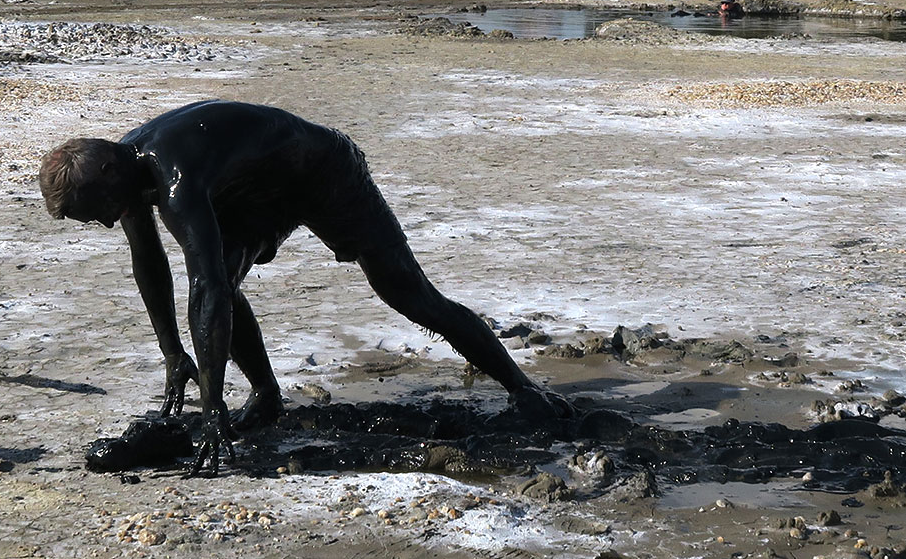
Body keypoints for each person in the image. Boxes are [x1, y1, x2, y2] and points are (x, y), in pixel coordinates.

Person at [39, 100, 572, 475]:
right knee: (224, 280)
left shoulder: (173, 179)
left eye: (103, 213)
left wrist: (211, 404)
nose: (110, 223)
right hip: (254, 190)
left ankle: (523, 388)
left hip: (322, 171)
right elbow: (148, 260)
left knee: (407, 293)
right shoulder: (124, 175)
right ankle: (267, 396)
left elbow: (202, 288)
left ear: (110, 171)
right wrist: (173, 352)